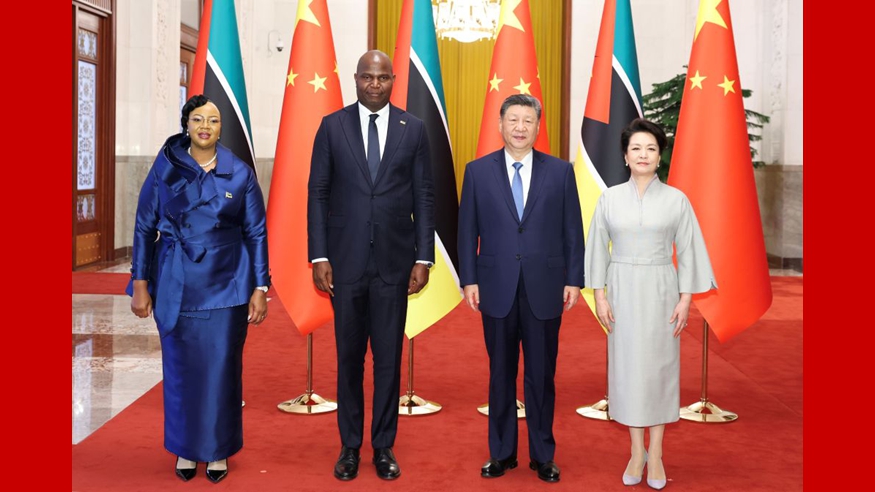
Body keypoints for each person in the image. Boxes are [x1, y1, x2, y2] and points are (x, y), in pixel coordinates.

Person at [127, 94, 270, 484]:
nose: (205, 126)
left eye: (213, 120)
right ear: (186, 124)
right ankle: (186, 449)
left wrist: (260, 286)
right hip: (175, 282)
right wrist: (140, 282)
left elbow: (256, 232)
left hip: (226, 285)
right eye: (198, 119)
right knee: (181, 371)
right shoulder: (165, 166)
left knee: (222, 370)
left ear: (221, 128)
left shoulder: (239, 173)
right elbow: (144, 225)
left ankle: (218, 449)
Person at [307, 49, 435, 481]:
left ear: (393, 80)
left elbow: (424, 195)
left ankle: (383, 446)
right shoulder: (332, 126)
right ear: (356, 79)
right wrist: (319, 255)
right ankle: (349, 446)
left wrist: (423, 256)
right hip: (344, 263)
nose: (374, 84)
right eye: (367, 77)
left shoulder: (413, 129)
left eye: (382, 78)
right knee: (348, 359)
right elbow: (318, 193)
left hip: (395, 265)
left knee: (387, 360)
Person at [458, 94, 585, 483]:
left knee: (541, 375)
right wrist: (469, 279)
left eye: (528, 121)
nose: (519, 127)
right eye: (513, 119)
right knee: (500, 372)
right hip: (495, 285)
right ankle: (502, 453)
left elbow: (572, 230)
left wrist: (574, 279)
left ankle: (543, 454)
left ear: (537, 127)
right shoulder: (477, 172)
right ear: (500, 124)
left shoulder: (560, 172)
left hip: (545, 286)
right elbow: (467, 231)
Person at [584, 118, 716, 490]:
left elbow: (689, 251)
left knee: (659, 371)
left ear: (660, 156)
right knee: (627, 371)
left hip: (661, 290)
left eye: (651, 149)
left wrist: (685, 299)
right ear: (625, 156)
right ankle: (636, 451)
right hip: (621, 290)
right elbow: (597, 247)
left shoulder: (677, 200)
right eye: (636, 148)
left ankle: (655, 452)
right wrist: (600, 295)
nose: (643, 155)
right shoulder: (609, 198)